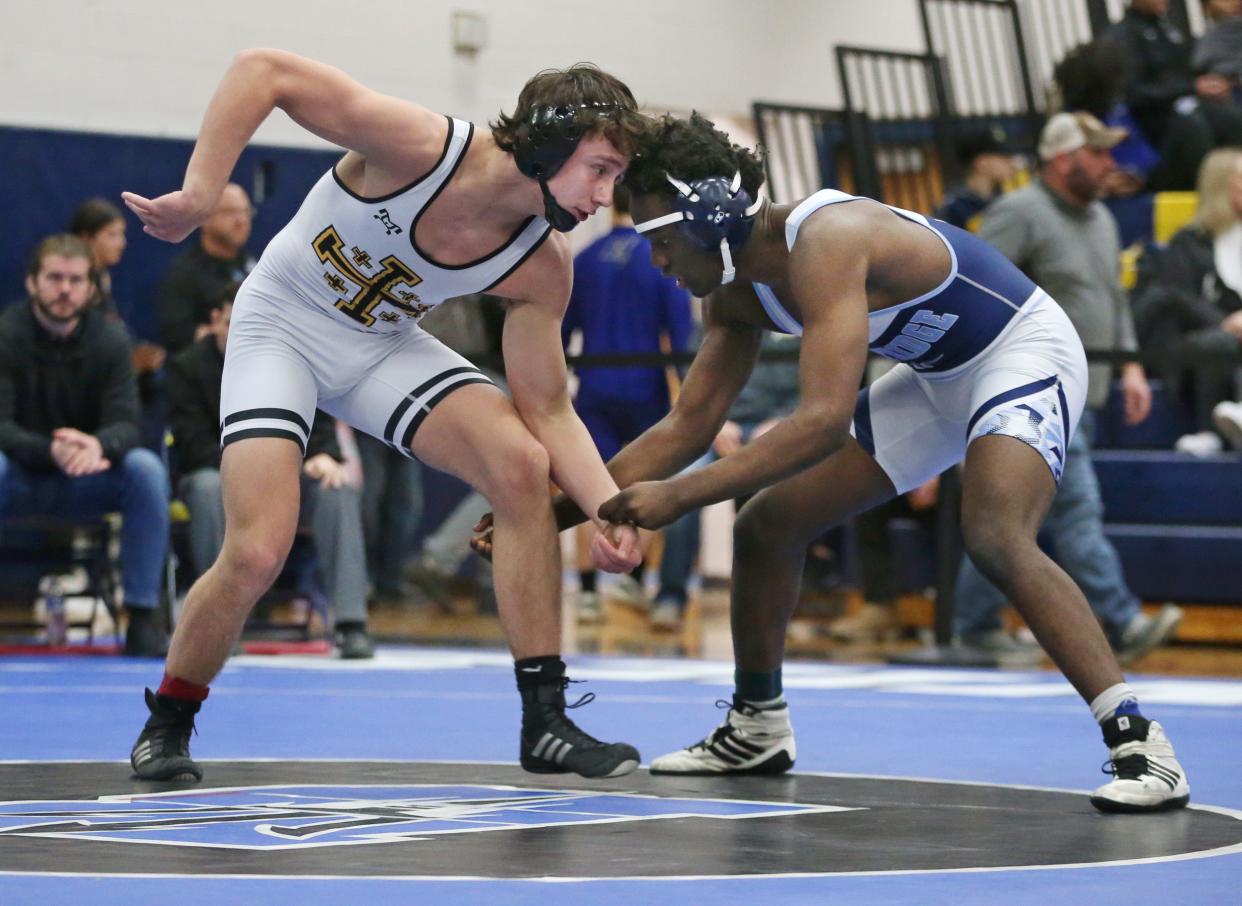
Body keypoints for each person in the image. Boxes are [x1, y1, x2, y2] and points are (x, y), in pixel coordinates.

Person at [522, 111, 1189, 812]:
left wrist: (681, 499)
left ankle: (1140, 741)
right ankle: (757, 727)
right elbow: (687, 425)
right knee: (767, 524)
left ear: (711, 215)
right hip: (937, 375)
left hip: (1020, 350)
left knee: (995, 533)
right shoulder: (735, 292)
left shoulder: (826, 242)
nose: (655, 261)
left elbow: (819, 423)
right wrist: (550, 511)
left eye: (658, 239)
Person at [121, 48, 648, 784]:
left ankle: (546, 720)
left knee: (522, 463)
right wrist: (201, 193)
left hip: (377, 343)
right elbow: (261, 72)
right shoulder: (423, 148)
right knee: (257, 551)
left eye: (615, 177)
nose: (603, 196)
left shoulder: (542, 263)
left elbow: (549, 407)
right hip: (282, 325)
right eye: (600, 168)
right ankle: (170, 717)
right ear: (550, 145)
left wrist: (606, 509)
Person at [948, 112, 1182, 666]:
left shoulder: (1100, 217)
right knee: (1077, 508)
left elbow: (1112, 298)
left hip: (1086, 393)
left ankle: (975, 624)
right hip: (1031, 391)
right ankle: (1122, 621)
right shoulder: (1018, 213)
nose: (1110, 165)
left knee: (1007, 521)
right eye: (1097, 154)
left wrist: (1127, 366)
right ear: (1061, 159)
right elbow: (974, 289)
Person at [166, 294, 375, 658]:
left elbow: (320, 425)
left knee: (335, 487)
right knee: (203, 486)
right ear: (216, 319)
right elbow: (192, 445)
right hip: (221, 476)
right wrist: (263, 467)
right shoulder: (188, 368)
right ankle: (220, 622)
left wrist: (324, 455)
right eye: (234, 323)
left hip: (287, 479)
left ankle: (350, 624)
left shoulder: (292, 361)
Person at [0, 235, 171, 656]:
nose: (64, 289)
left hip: (89, 477)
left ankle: (143, 616)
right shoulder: (7, 334)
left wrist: (98, 445)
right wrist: (49, 450)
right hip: (22, 474)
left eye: (75, 280)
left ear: (91, 288)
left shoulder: (111, 341)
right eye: (54, 278)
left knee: (146, 470)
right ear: (31, 283)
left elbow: (128, 423)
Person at [562, 185, 692, 620]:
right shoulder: (662, 262)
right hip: (645, 391)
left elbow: (558, 333)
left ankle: (585, 592)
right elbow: (681, 340)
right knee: (647, 486)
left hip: (593, 391)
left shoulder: (584, 259)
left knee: (586, 490)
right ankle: (635, 583)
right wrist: (693, 399)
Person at [1133, 147, 1242, 450]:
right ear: (1221, 187)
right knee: (1220, 343)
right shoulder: (1190, 242)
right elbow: (1175, 298)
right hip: (1195, 341)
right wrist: (1227, 322)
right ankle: (1210, 432)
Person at [70, 198, 169, 450]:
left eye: (122, 234)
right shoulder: (73, 294)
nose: (122, 243)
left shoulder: (102, 280)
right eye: (112, 235)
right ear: (85, 238)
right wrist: (129, 363)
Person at [155, 183, 257, 353]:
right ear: (204, 218)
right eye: (230, 212)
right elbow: (176, 336)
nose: (241, 220)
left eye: (245, 212)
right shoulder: (184, 273)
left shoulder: (254, 265)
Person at [933, 128, 1017, 231]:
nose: (1011, 161)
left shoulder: (1006, 197)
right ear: (981, 162)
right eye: (1003, 156)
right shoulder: (954, 207)